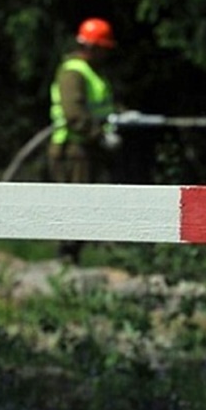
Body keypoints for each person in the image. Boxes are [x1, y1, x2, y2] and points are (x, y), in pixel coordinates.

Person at [47, 17, 119, 264]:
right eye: (103, 49)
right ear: (92, 47)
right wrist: (100, 135)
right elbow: (74, 114)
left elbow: (100, 106)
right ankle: (66, 258)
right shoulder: (74, 72)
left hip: (85, 148)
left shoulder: (91, 72)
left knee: (84, 205)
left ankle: (72, 257)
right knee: (73, 206)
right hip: (72, 149)